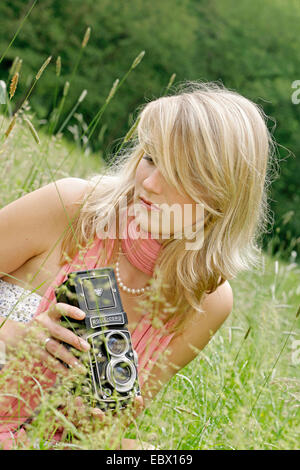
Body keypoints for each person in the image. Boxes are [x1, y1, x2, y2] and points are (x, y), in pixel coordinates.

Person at [0, 80, 275, 449]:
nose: (150, 182)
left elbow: (99, 429)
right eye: (151, 157)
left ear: (221, 194)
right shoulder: (72, 208)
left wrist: (102, 426)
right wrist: (16, 336)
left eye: (179, 172)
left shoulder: (208, 301)